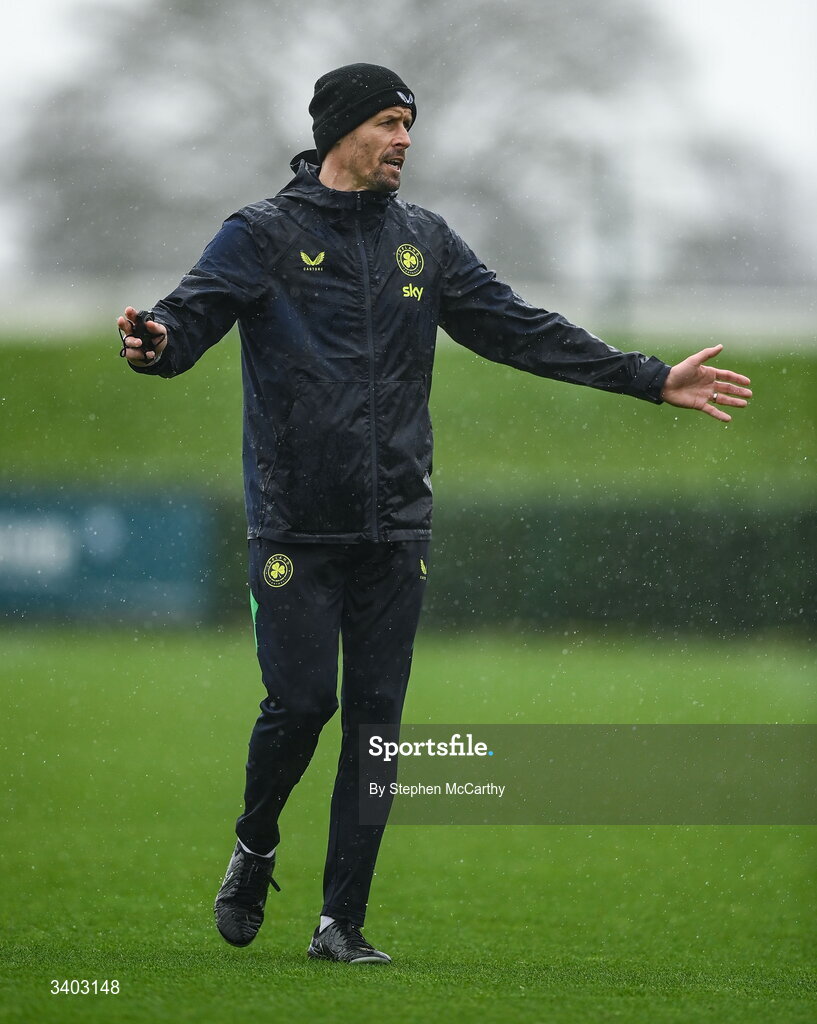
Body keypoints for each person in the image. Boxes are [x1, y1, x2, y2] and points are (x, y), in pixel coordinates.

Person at [118, 63, 752, 964]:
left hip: (396, 528)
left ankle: (340, 923)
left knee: (377, 730)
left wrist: (647, 377)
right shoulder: (260, 234)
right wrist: (154, 343)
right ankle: (255, 844)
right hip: (296, 524)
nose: (405, 139)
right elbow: (186, 321)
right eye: (388, 121)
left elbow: (519, 327)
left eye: (411, 123)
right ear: (340, 129)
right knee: (300, 708)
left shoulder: (426, 240)